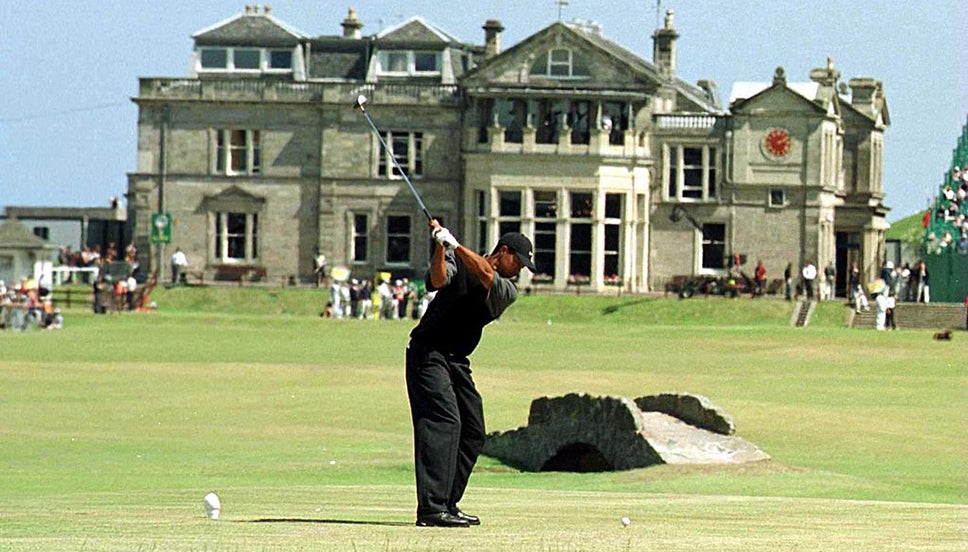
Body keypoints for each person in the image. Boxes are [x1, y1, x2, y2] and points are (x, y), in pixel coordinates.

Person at [405, 220, 536, 528]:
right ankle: (432, 508)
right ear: (503, 251)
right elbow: (436, 281)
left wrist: (454, 244)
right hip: (428, 352)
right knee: (444, 421)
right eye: (518, 261)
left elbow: (485, 273)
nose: (519, 269)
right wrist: (441, 246)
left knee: (474, 430)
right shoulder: (456, 260)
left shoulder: (507, 289)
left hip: (457, 361)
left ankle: (448, 502)